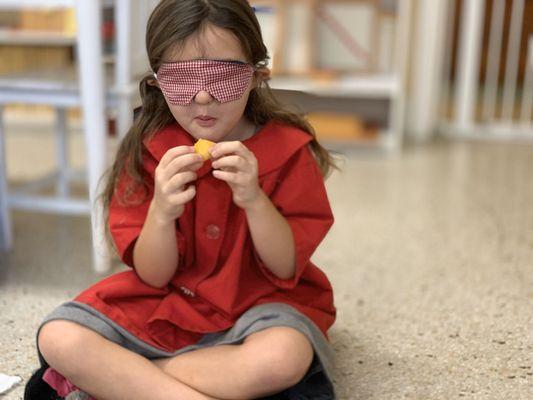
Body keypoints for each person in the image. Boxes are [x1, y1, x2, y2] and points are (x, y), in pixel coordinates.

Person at [25, 1, 338, 399]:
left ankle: (130, 379)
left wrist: (255, 200)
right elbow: (154, 276)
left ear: (257, 76)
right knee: (59, 337)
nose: (203, 97)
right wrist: (161, 211)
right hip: (165, 301)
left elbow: (285, 266)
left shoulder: (290, 151)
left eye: (222, 77)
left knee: (282, 358)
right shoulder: (148, 148)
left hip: (260, 304)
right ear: (157, 82)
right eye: (182, 79)